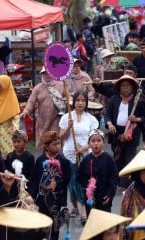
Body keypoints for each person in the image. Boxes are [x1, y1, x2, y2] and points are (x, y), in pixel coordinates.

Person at [105, 75, 145, 186]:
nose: (125, 88)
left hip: (132, 134)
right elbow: (107, 116)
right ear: (119, 88)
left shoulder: (139, 100)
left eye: (128, 85)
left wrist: (136, 119)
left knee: (129, 158)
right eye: (123, 86)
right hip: (116, 133)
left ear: (132, 87)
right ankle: (118, 181)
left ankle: (127, 184)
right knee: (117, 158)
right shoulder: (114, 100)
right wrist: (110, 124)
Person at [59, 91, 99, 222]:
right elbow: (60, 138)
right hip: (69, 153)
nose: (80, 103)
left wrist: (83, 149)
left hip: (86, 154)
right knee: (72, 182)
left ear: (86, 103)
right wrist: (68, 128)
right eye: (78, 100)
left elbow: (95, 139)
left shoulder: (91, 119)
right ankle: (75, 206)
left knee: (83, 182)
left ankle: (84, 209)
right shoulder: (66, 118)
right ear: (73, 102)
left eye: (83, 100)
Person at [29, 131, 71, 240]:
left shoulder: (64, 161)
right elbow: (34, 180)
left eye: (59, 143)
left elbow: (67, 179)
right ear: (46, 146)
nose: (58, 146)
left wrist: (57, 183)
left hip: (56, 199)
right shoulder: (40, 160)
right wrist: (32, 196)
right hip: (42, 199)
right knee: (42, 224)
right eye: (55, 144)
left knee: (54, 226)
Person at [77, 130, 118, 219]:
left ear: (104, 142)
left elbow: (114, 178)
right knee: (92, 220)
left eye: (99, 141)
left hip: (104, 197)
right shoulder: (86, 160)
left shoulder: (108, 159)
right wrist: (87, 185)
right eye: (93, 141)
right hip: (90, 198)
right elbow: (80, 177)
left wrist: (109, 194)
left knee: (104, 221)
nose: (96, 143)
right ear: (89, 143)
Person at [21, 67, 64, 150]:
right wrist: (26, 111)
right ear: (42, 74)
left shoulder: (61, 85)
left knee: (54, 142)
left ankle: (55, 161)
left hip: (56, 119)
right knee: (42, 144)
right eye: (45, 73)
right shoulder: (38, 88)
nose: (47, 75)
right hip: (42, 121)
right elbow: (31, 101)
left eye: (49, 73)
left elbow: (69, 98)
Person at [0, 75, 20, 157]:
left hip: (7, 135)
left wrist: (15, 133)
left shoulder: (11, 98)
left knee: (8, 157)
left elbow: (16, 118)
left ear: (5, 84)